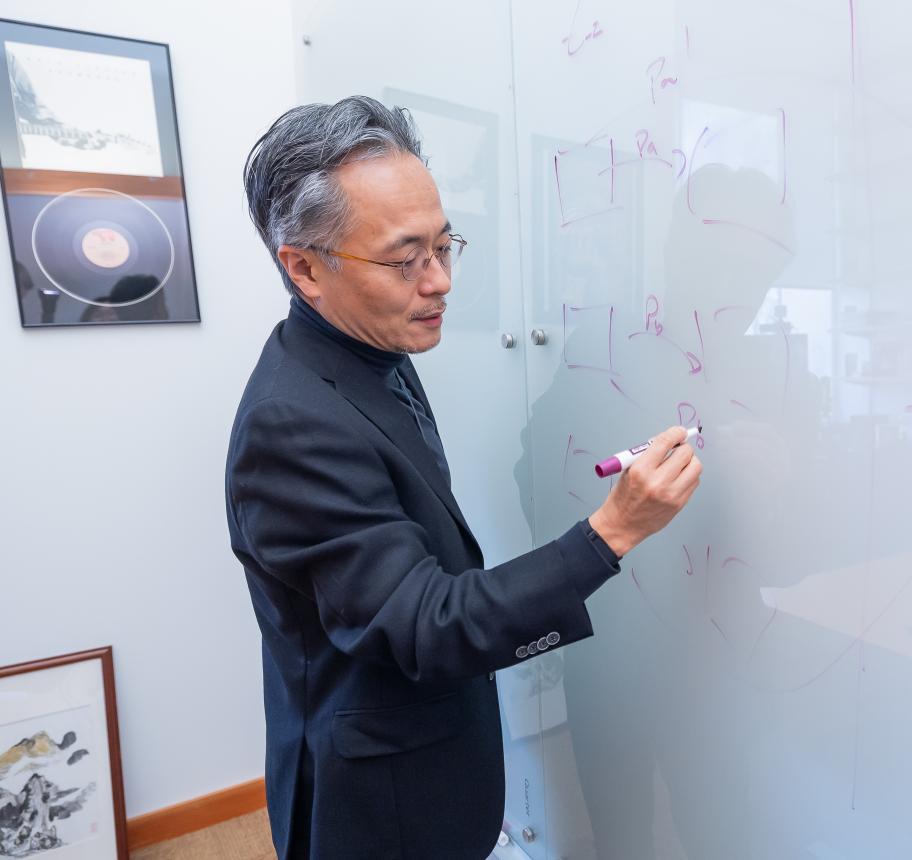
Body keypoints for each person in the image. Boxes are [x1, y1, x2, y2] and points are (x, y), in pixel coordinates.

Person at [225, 96, 702, 860]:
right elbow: (426, 627)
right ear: (305, 267)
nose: (440, 281)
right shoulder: (294, 424)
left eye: (446, 246)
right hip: (380, 803)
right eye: (405, 258)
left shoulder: (368, 353)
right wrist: (612, 532)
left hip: (431, 749)